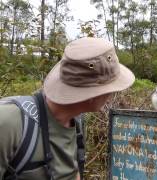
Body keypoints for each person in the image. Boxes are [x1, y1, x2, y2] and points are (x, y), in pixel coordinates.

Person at [0, 37, 135, 180]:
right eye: (111, 89)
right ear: (92, 95)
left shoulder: (76, 122)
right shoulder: (10, 123)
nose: (112, 94)